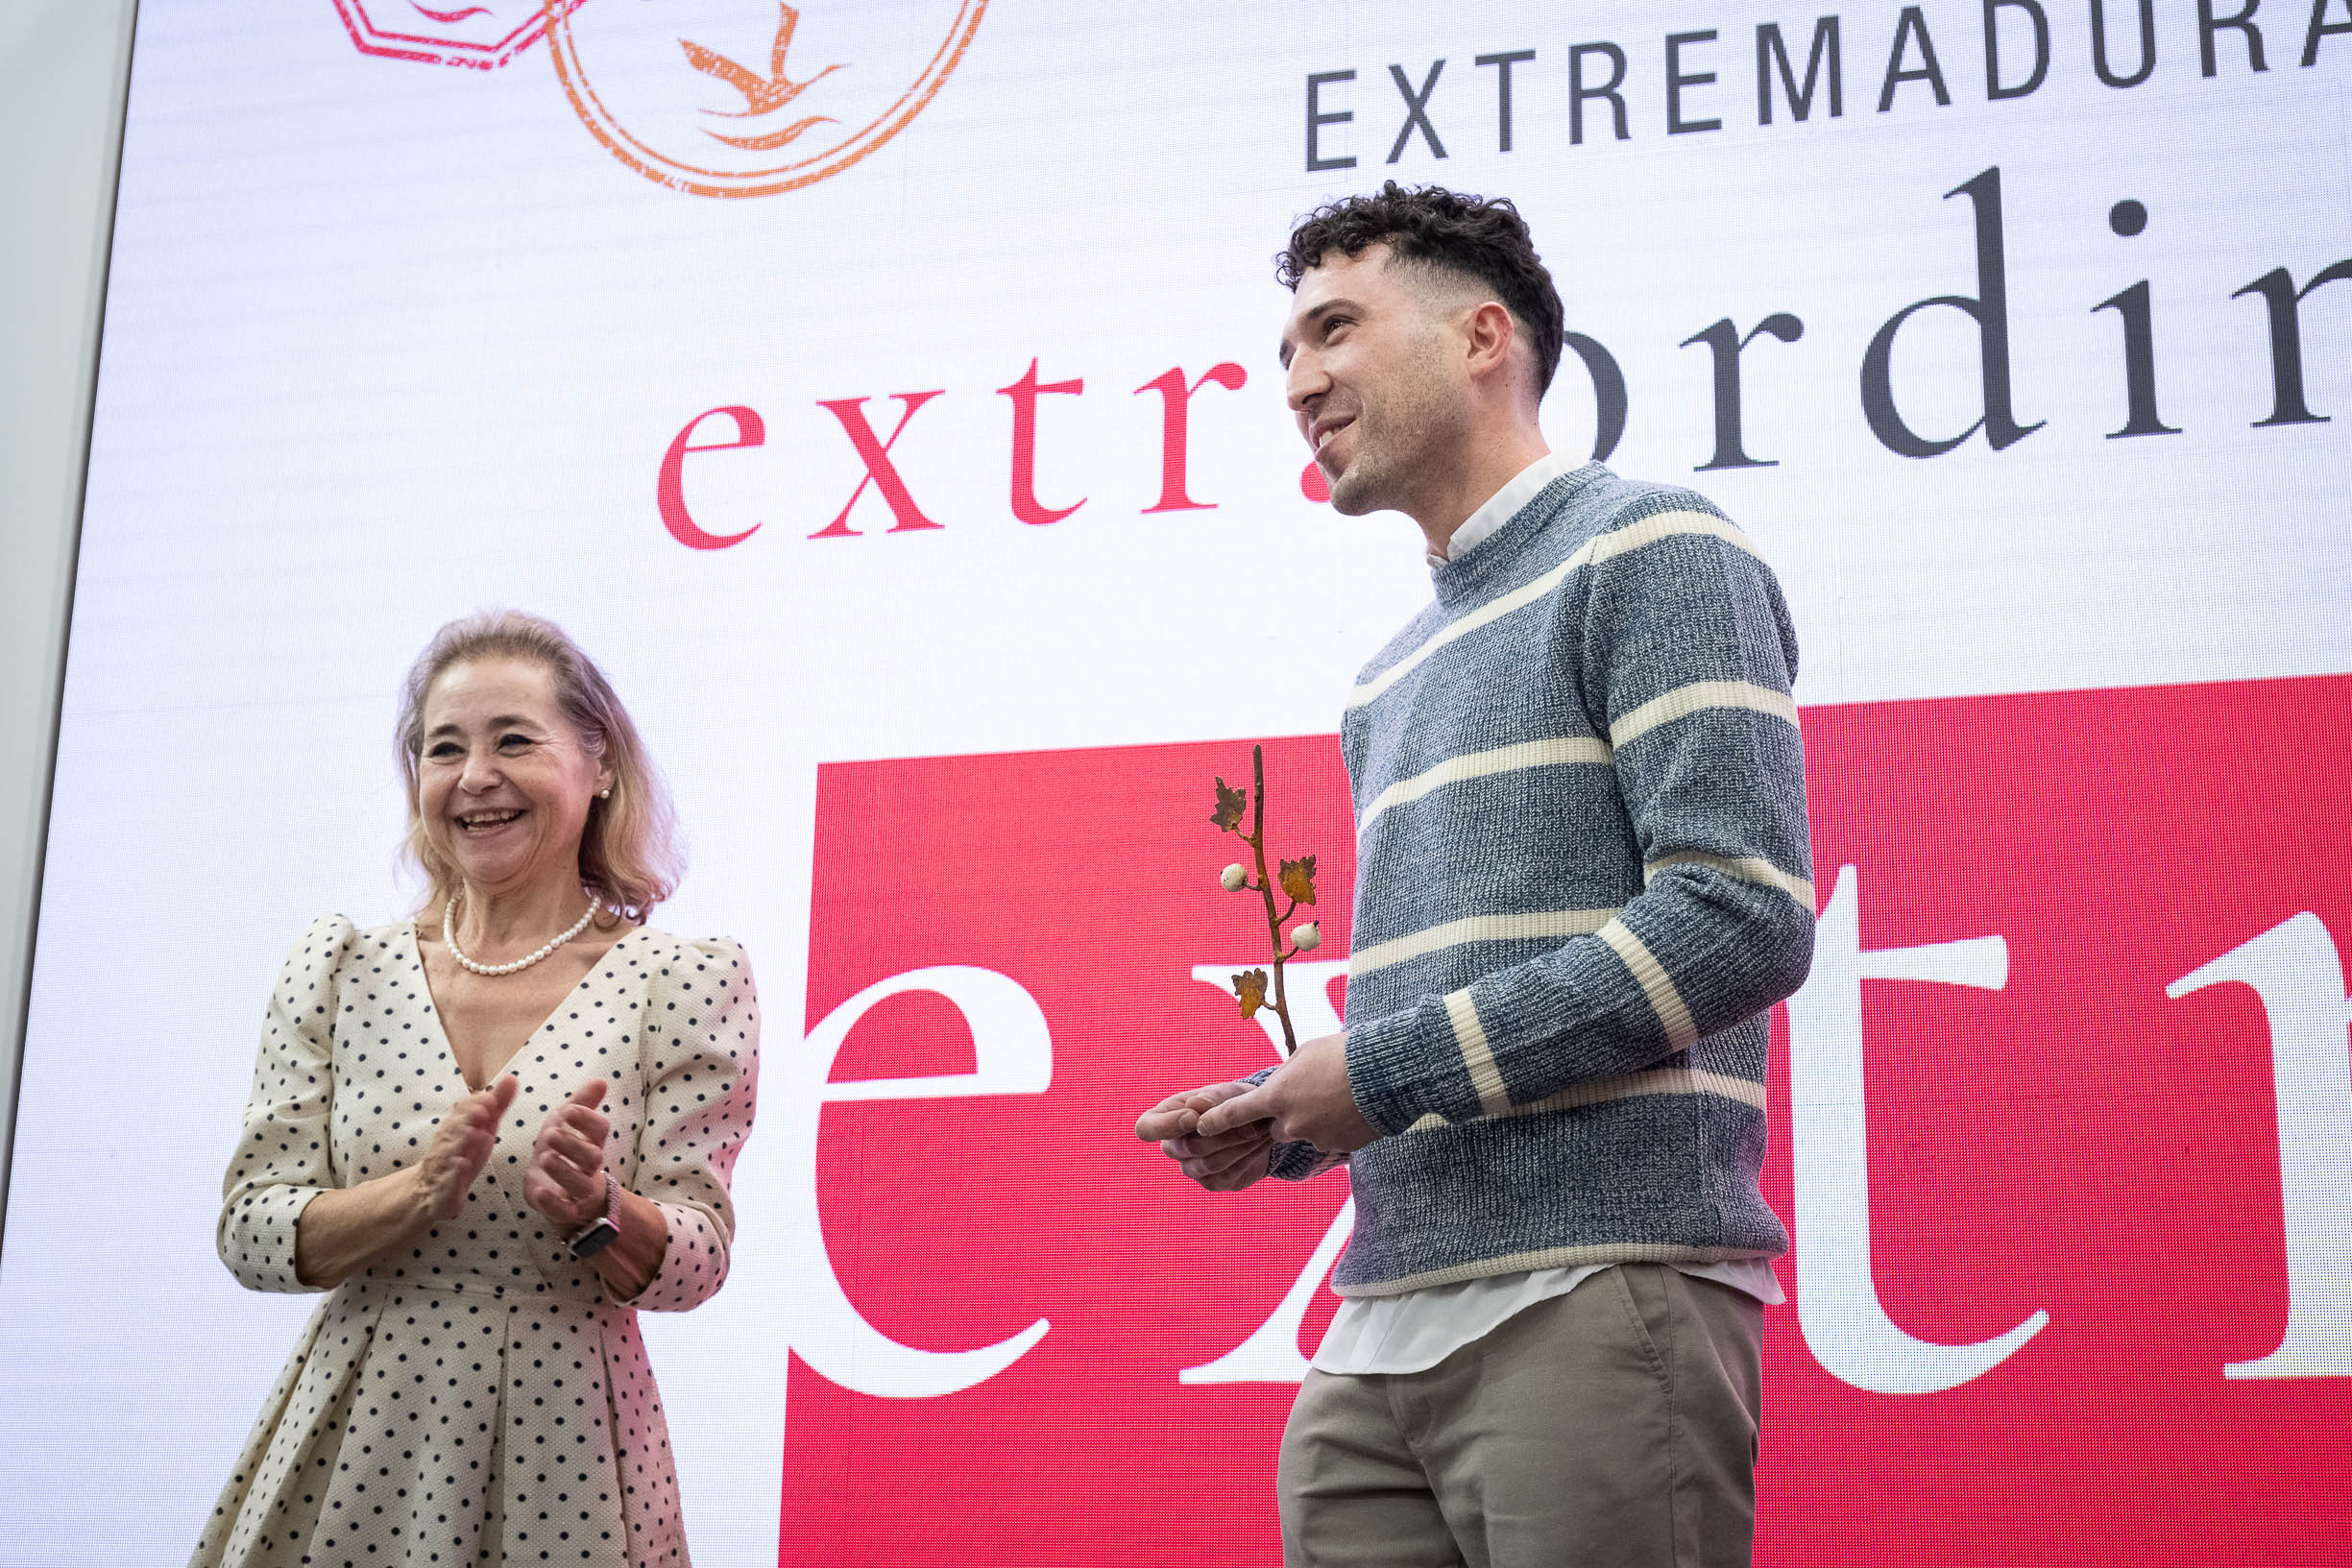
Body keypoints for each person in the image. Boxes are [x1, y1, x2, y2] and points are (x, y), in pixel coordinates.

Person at [1135, 183, 1815, 1568]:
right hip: (1384, 1313)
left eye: (1332, 329)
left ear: (1481, 338)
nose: (1297, 381)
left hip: (1600, 1283)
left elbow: (1738, 917)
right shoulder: (1383, 677)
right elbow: (1442, 1025)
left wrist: (1370, 1074)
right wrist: (1295, 1120)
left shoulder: (1653, 546)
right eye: (1283, 352)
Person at [193, 611, 759, 1568]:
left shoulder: (685, 979)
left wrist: (601, 1213)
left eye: (513, 740)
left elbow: (699, 1257)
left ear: (601, 764)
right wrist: (411, 1194)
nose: (475, 776)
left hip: (568, 1453)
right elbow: (250, 1229)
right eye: (442, 748)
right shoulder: (342, 968)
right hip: (361, 1441)